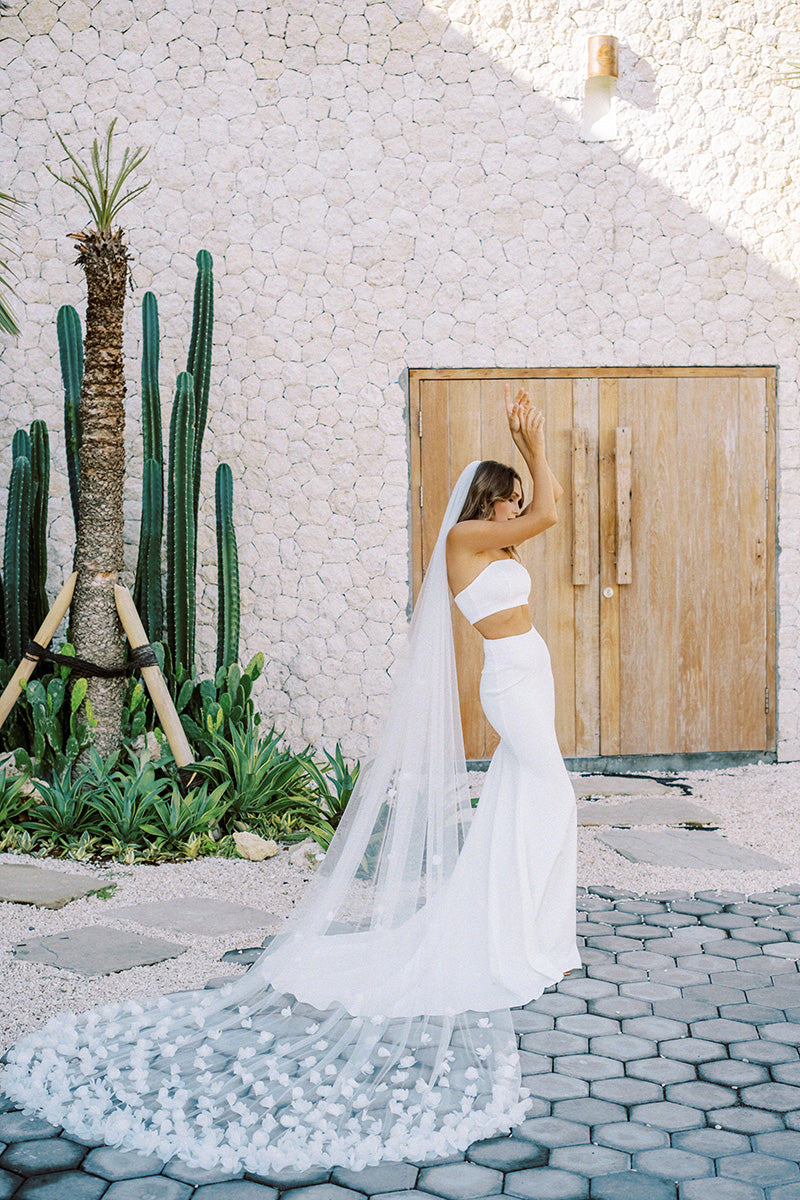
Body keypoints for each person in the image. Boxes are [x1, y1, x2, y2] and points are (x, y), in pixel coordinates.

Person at [1, 389, 579, 1175]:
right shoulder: (469, 538)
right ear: (489, 497)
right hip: (511, 683)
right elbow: (548, 513)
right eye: (509, 490)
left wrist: (532, 456)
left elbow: (544, 511)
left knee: (526, 800)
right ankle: (512, 931)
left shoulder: (498, 545)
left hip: (529, 676)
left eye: (516, 492)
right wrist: (534, 444)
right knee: (551, 796)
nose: (520, 500)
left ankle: (524, 925)